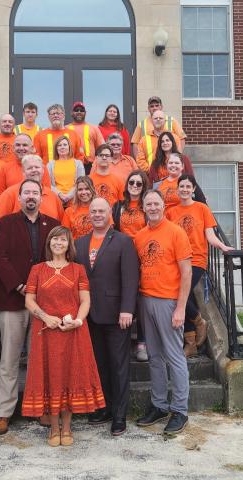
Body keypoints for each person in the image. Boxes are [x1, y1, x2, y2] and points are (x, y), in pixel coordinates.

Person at [22, 226, 105, 446]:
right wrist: (45, 316)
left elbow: (85, 300)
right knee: (51, 377)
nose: (58, 243)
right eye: (54, 239)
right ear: (48, 243)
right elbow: (29, 301)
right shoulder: (37, 269)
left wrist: (77, 320)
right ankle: (53, 428)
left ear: (69, 245)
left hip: (73, 332)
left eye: (63, 240)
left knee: (70, 375)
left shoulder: (78, 269)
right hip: (46, 332)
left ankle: (67, 428)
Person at [0, 179, 59, 435]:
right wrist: (20, 286)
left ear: (42, 197)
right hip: (13, 301)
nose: (31, 196)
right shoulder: (4, 224)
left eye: (35, 193)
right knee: (9, 359)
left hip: (43, 304)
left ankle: (38, 407)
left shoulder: (52, 225)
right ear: (18, 197)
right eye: (26, 192)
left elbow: (57, 258)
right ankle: (3, 413)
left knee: (38, 359)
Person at [75, 198, 139, 436]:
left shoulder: (123, 241)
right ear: (88, 215)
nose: (97, 214)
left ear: (109, 215)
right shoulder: (79, 243)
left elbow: (130, 278)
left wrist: (127, 309)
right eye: (93, 211)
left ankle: (119, 415)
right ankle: (104, 408)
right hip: (89, 316)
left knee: (119, 366)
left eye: (102, 210)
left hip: (116, 315)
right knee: (99, 365)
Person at [135, 189, 192, 435]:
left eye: (156, 203)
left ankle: (180, 409)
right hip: (145, 299)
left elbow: (187, 272)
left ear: (162, 205)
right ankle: (159, 405)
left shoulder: (176, 232)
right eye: (149, 204)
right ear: (144, 208)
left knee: (174, 357)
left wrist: (181, 307)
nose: (153, 207)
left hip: (168, 302)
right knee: (155, 357)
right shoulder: (140, 236)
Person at [167, 174, 234, 356]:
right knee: (179, 296)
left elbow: (210, 235)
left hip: (196, 259)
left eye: (188, 186)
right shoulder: (171, 212)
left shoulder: (202, 208)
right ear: (178, 189)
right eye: (182, 186)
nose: (185, 189)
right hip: (175, 260)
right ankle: (193, 337)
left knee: (183, 294)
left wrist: (222, 246)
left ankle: (196, 326)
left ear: (194, 189)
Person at [112, 170, 148, 362]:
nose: (134, 186)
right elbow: (113, 230)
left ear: (144, 187)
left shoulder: (147, 206)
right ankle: (124, 340)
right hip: (122, 255)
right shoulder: (118, 206)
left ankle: (142, 342)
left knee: (141, 297)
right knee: (123, 294)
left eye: (139, 184)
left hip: (143, 256)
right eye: (131, 182)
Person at [0, 154, 64, 222]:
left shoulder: (53, 197)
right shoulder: (9, 194)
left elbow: (61, 228)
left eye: (37, 167)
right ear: (23, 172)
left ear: (43, 170)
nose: (34, 170)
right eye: (30, 168)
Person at [66, 101, 104, 173]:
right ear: (72, 113)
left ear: (85, 113)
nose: (79, 112)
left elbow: (102, 148)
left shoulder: (94, 128)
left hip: (90, 166)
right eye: (76, 110)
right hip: (70, 164)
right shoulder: (65, 129)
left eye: (81, 110)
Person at [47, 135, 85, 206]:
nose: (62, 147)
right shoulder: (50, 164)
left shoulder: (78, 163)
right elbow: (48, 184)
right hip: (56, 201)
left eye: (65, 144)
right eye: (59, 145)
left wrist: (69, 196)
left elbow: (81, 182)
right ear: (56, 148)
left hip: (74, 201)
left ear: (69, 147)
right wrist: (60, 194)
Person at [62, 176, 96, 240]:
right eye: (80, 189)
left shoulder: (101, 208)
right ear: (76, 192)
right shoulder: (69, 211)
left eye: (87, 189)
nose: (83, 192)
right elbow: (65, 235)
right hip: (76, 247)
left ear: (92, 189)